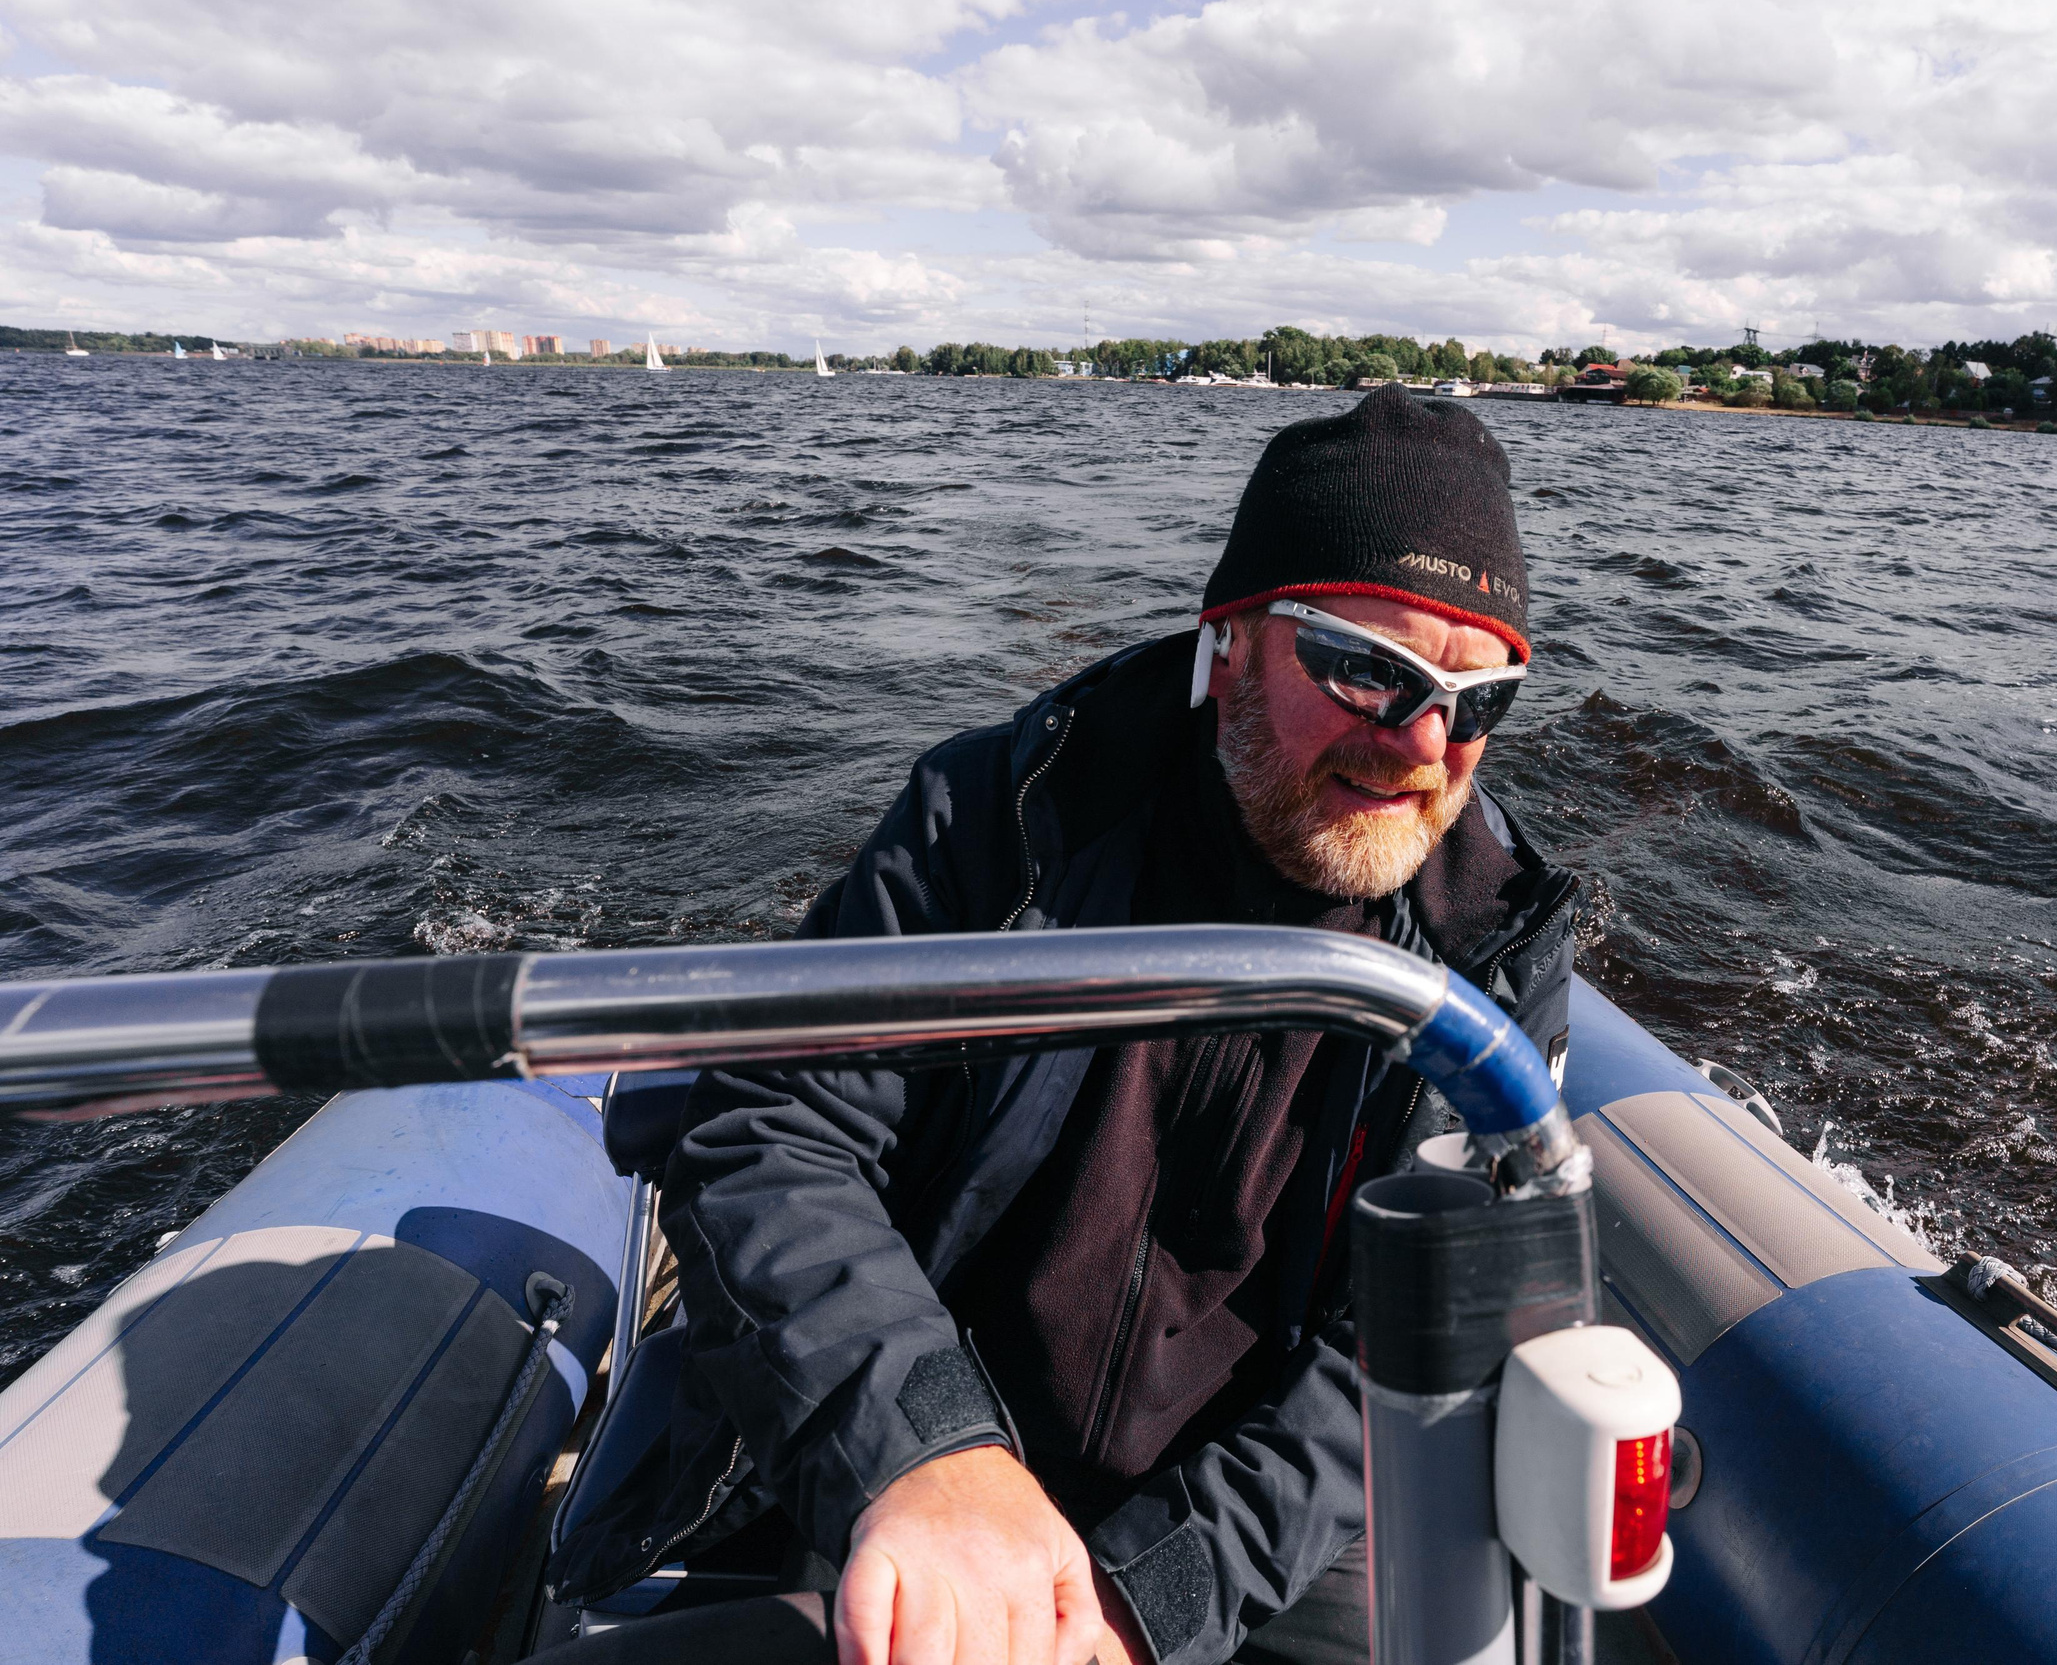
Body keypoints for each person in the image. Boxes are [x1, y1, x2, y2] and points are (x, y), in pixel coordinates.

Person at [545, 384, 1581, 1665]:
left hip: (1255, 1518)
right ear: (1236, 639)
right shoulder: (1002, 819)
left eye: (1481, 703)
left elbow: (1409, 1339)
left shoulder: (1493, 946)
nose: (1423, 742)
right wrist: (926, 1453)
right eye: (1368, 668)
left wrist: (1158, 1598)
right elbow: (772, 1123)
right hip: (933, 1437)